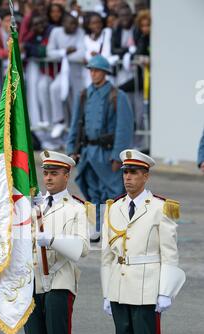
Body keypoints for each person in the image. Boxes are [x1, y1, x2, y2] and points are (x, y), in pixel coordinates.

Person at [101, 149, 186, 334]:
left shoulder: (160, 208)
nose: (128, 178)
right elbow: (106, 255)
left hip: (148, 287)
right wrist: (106, 291)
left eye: (134, 173)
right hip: (120, 287)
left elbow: (169, 253)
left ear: (146, 176)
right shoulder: (114, 207)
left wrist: (166, 290)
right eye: (125, 172)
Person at [24, 150, 89, 334]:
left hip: (61, 279)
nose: (48, 178)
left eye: (54, 173)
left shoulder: (76, 208)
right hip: (35, 281)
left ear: (67, 175)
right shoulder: (33, 207)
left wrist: (52, 240)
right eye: (46, 173)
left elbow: (82, 248)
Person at [67, 54, 134, 241]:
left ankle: (116, 227)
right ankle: (96, 226)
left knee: (113, 192)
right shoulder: (84, 94)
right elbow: (75, 124)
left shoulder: (117, 96)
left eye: (97, 70)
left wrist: (117, 156)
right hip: (88, 152)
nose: (93, 73)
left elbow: (124, 128)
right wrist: (72, 149)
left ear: (105, 73)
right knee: (91, 190)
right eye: (91, 70)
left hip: (107, 152)